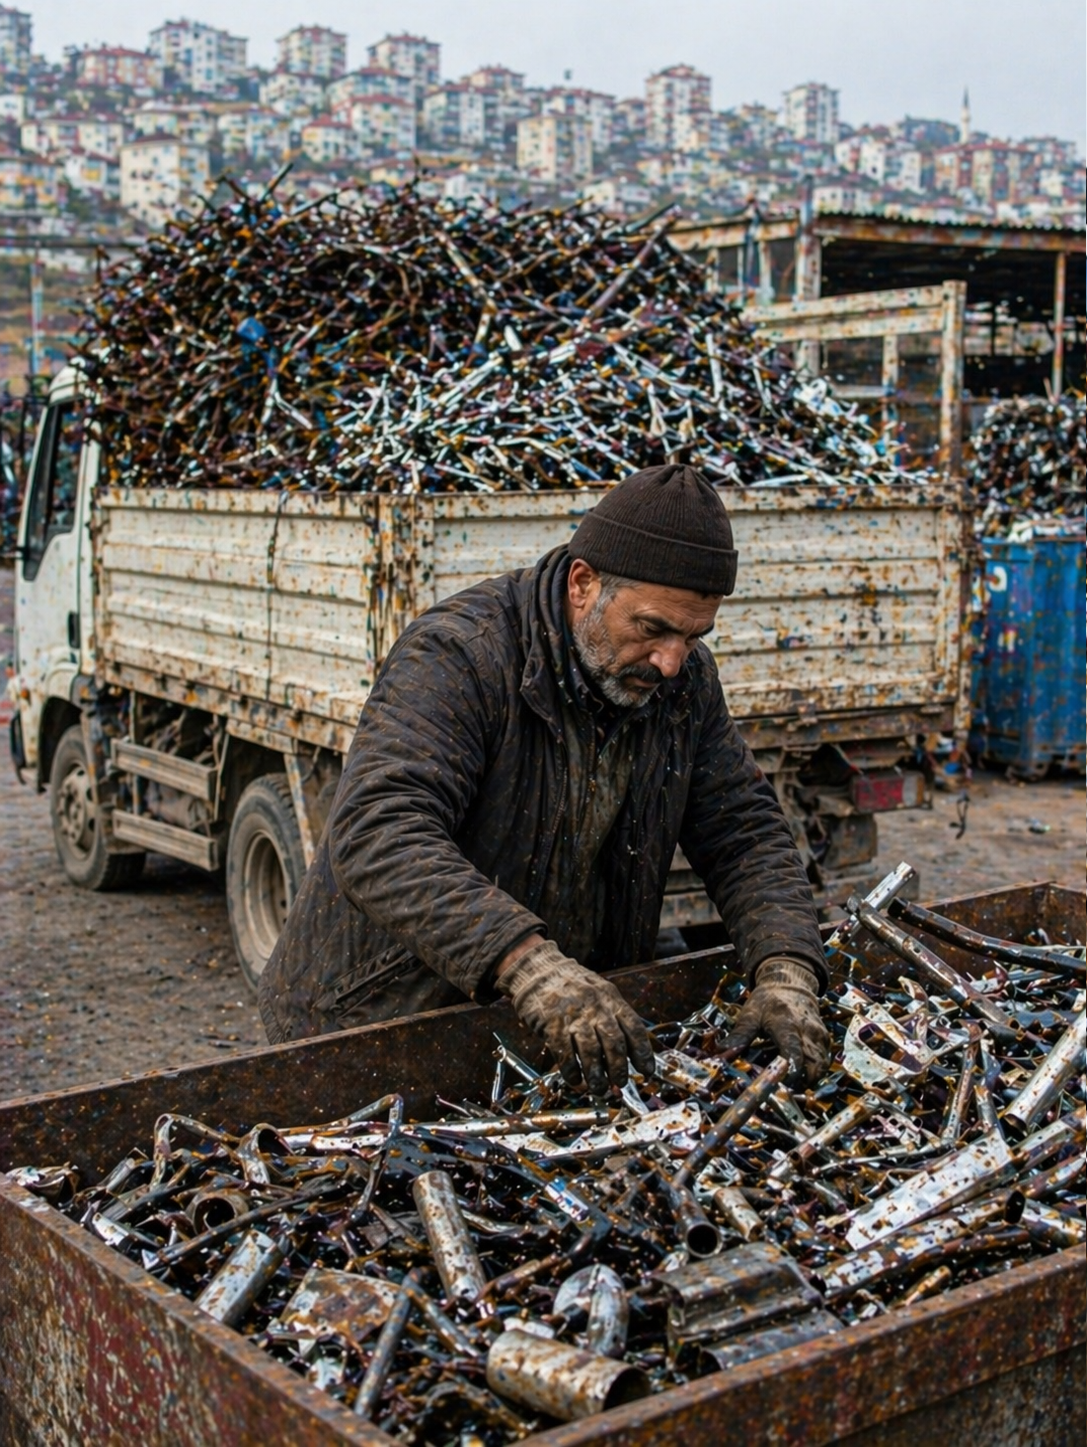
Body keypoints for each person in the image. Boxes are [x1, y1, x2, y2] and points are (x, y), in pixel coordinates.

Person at [259, 463, 829, 1091]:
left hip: (536, 1037)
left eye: (694, 636)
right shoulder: (461, 656)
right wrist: (530, 966)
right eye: (652, 629)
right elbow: (380, 833)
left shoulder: (683, 681)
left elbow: (742, 833)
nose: (671, 661)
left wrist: (786, 970)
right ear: (584, 584)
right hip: (377, 1020)